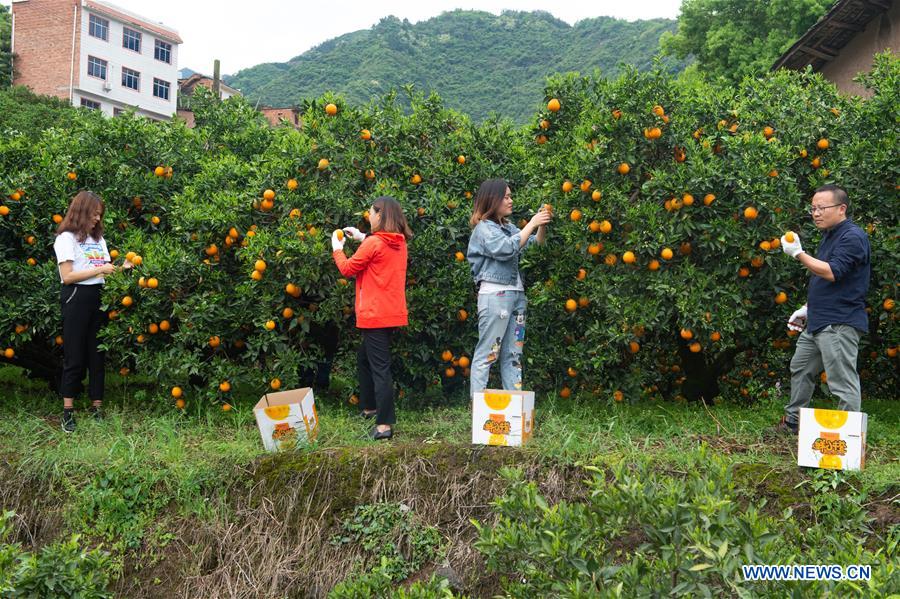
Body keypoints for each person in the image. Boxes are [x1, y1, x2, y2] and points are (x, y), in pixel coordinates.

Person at [771, 184, 871, 435]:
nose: (816, 213)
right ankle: (793, 423)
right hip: (818, 320)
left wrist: (798, 253)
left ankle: (848, 439)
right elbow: (829, 281)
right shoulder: (829, 235)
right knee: (801, 368)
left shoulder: (853, 237)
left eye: (821, 208)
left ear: (841, 208)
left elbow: (832, 272)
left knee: (841, 381)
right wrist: (807, 308)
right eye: (813, 208)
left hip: (839, 322)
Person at [332, 196, 412, 440]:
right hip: (391, 312)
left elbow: (348, 269)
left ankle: (384, 425)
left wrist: (337, 249)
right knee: (365, 359)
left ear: (381, 215)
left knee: (380, 368)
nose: (369, 217)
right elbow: (379, 247)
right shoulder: (399, 242)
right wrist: (361, 236)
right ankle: (369, 408)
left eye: (371, 213)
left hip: (374, 314)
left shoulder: (374, 243)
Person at [466, 179, 551, 396]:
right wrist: (531, 223)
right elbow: (505, 249)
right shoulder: (484, 229)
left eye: (510, 196)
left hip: (517, 297)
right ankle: (478, 408)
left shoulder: (509, 228)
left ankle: (515, 408)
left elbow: (534, 246)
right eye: (506, 197)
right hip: (496, 296)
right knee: (488, 353)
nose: (511, 200)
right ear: (492, 200)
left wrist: (541, 225)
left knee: (513, 355)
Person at [53, 190, 129, 433]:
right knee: (74, 354)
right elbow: (67, 276)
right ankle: (68, 411)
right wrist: (100, 271)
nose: (97, 218)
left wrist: (123, 268)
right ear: (82, 211)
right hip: (76, 296)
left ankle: (97, 407)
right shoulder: (66, 239)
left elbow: (105, 270)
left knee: (97, 354)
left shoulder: (98, 240)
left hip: (99, 297)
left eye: (99, 215)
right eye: (94, 214)